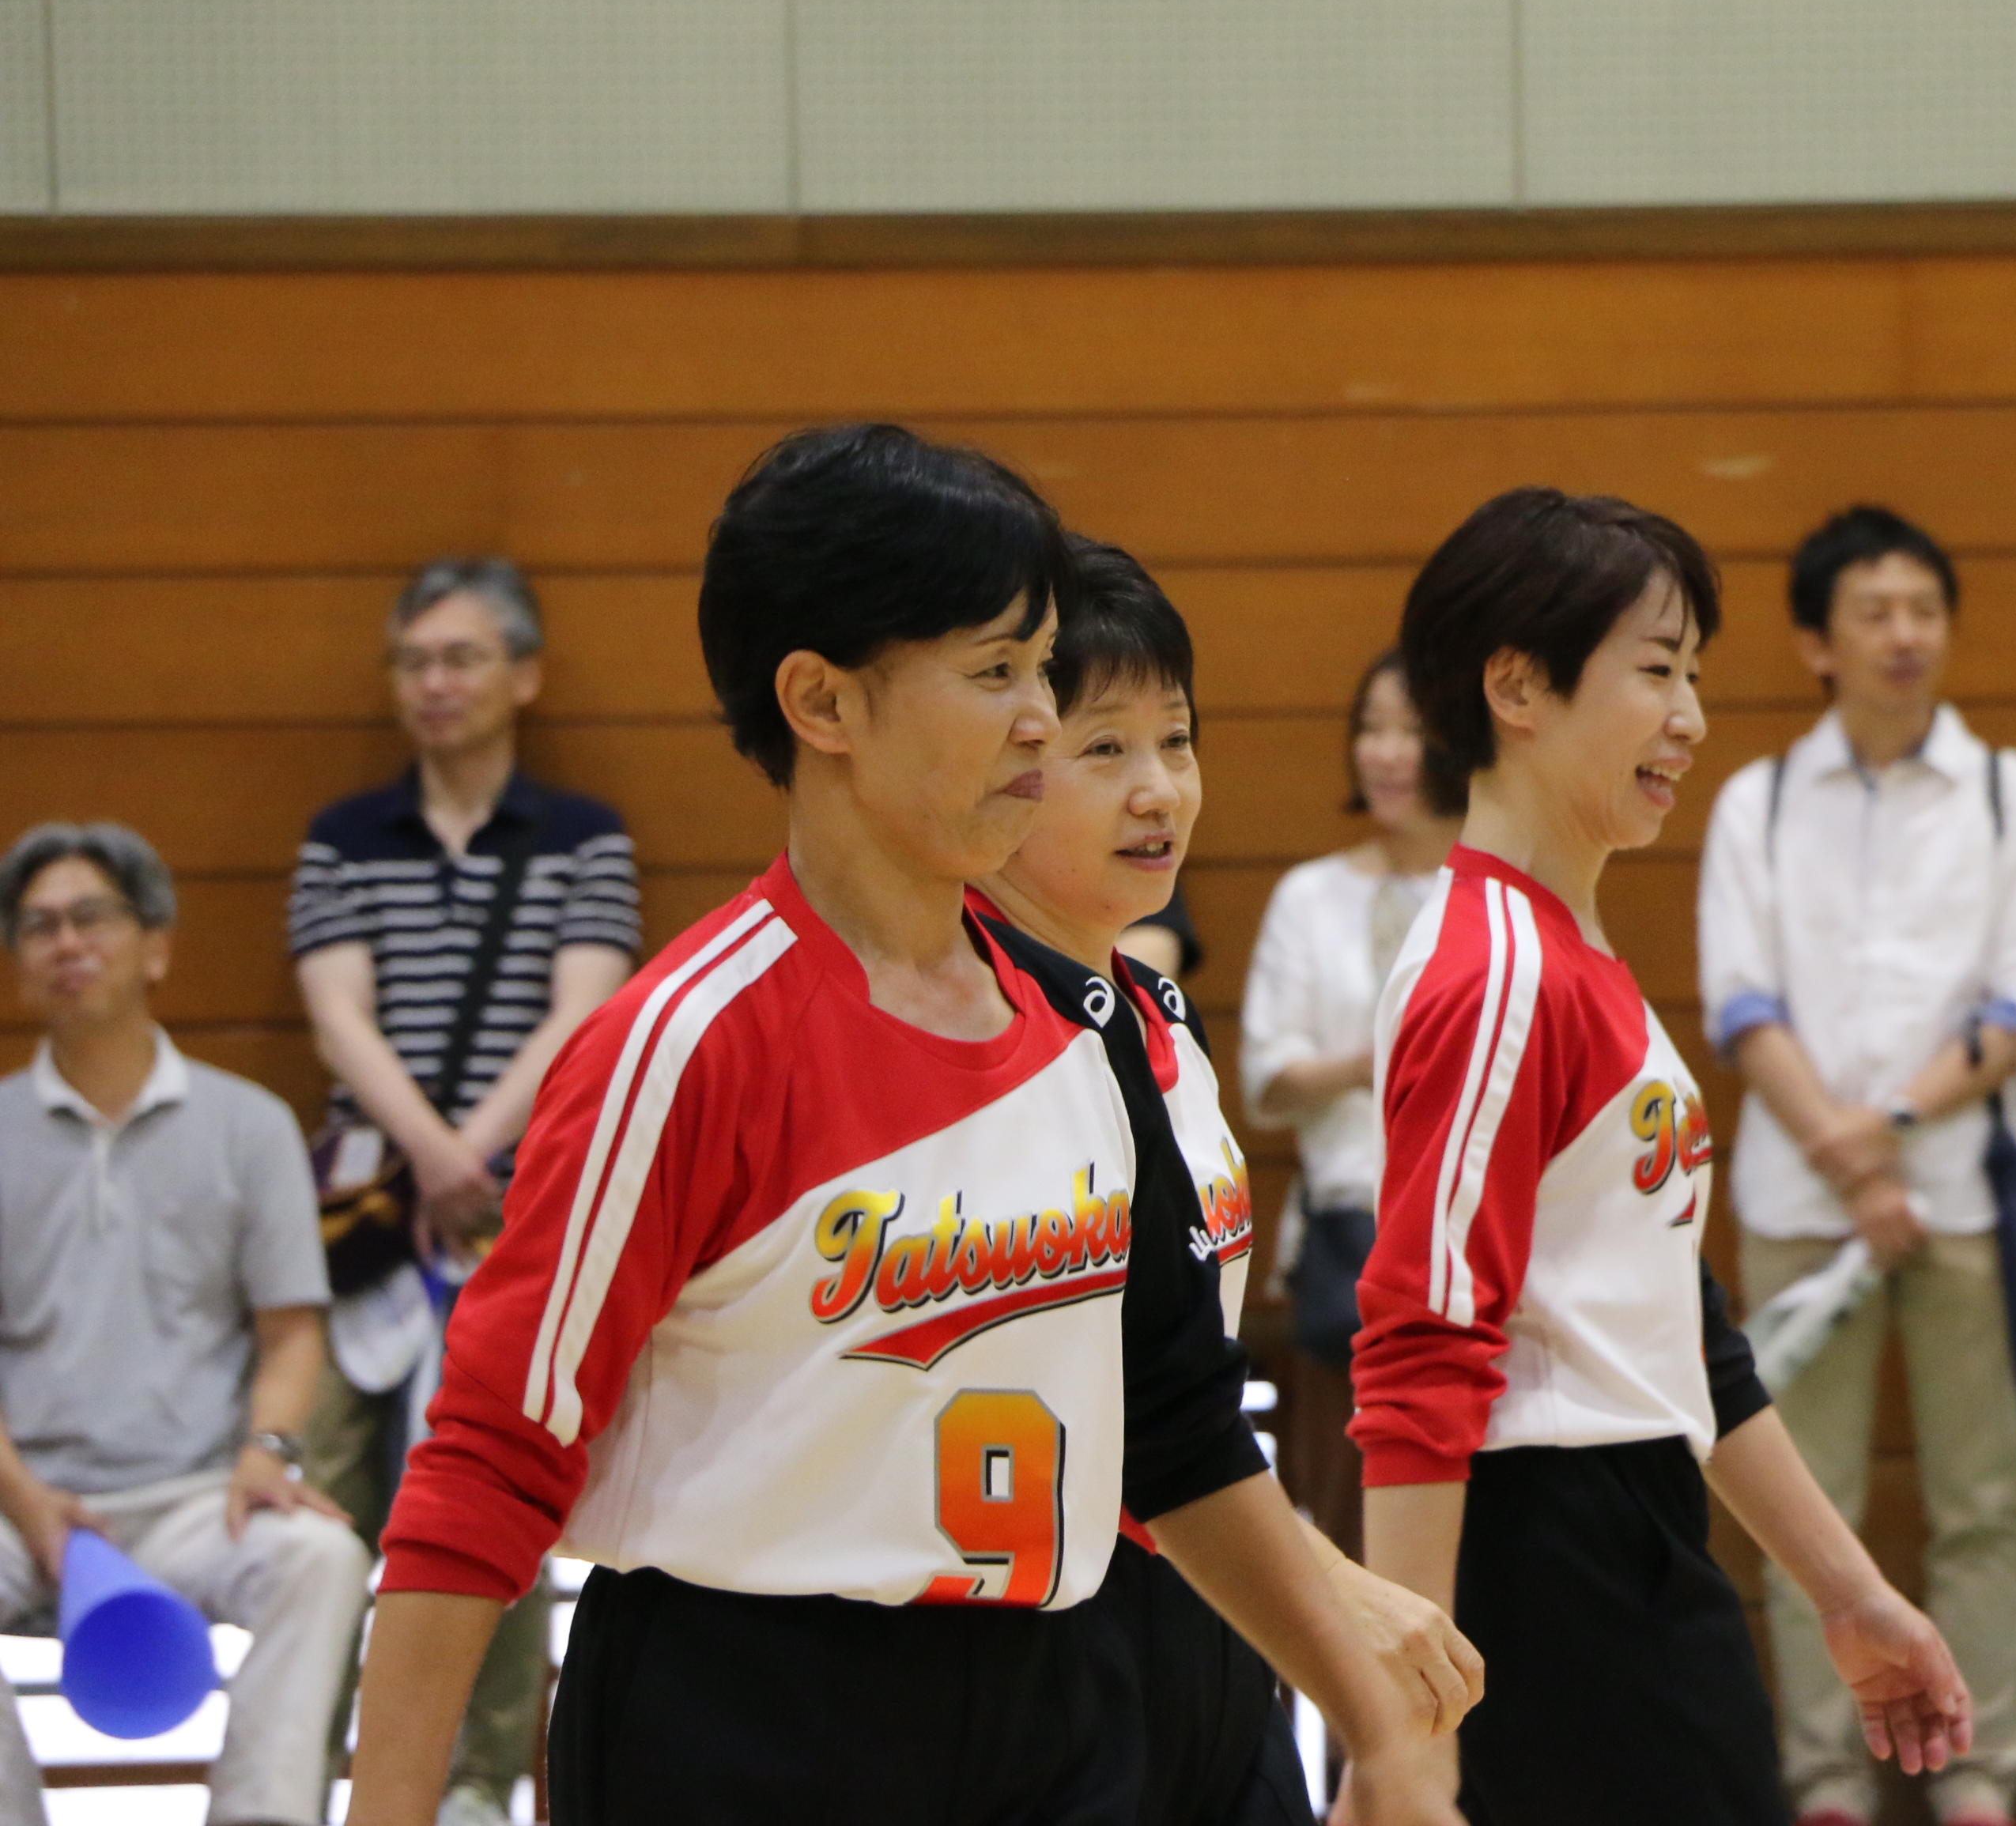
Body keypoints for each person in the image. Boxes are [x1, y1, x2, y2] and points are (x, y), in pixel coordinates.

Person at [344, 424, 1456, 1826]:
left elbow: (1177, 1431)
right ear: (821, 701)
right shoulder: (686, 1044)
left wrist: (1378, 1737)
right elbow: (488, 1463)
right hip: (750, 1716)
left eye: (1042, 668)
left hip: (1051, 1704)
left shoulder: (1096, 1029)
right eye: (995, 673)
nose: (1040, 718)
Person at [1350, 487, 1974, 1826]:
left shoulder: (1574, 955)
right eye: (1655, 671)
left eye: (1694, 675)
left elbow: (1681, 1330)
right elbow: (1420, 1346)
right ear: (1517, 686)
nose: (1689, 717)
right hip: (1543, 1559)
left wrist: (1849, 1592)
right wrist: (1400, 1739)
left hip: (1637, 1528)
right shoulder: (1496, 974)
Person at [973, 541, 1481, 1824]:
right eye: (1106, 749)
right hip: (1031, 1653)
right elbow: (1096, 1407)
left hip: (1205, 1628)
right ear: (1005, 761)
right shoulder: (968, 1035)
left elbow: (1178, 1385)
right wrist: (1330, 1588)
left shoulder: (1159, 1016)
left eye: (1178, 741)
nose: (1160, 790)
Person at [1696, 506, 2016, 1826]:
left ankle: (1976, 1774)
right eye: (1874, 612)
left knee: (1978, 1500)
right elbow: (1740, 1003)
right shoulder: (1757, 800)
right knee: (1808, 1508)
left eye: (1924, 609)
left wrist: (1893, 1129)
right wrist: (1848, 1163)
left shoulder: (2008, 793)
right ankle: (1826, 1782)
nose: (1905, 635)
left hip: (1962, 1200)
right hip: (1799, 1205)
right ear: (1817, 642)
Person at [290, 556, 640, 1824]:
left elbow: (585, 1010)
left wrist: (475, 1155)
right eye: (413, 663)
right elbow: (338, 1021)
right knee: (326, 1495)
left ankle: (485, 1781)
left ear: (523, 676)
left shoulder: (583, 836)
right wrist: (434, 1155)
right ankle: (322, 1777)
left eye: (459, 658)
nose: (432, 684)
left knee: (501, 1486)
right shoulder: (344, 837)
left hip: (523, 1213)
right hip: (365, 1226)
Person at [0, 823, 369, 1826]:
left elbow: (292, 1330)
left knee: (321, 1555)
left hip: (202, 1498)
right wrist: (28, 1502)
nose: (66, 942)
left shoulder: (248, 1124)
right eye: (38, 925)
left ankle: (259, 1815)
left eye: (90, 916)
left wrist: (267, 1449)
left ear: (155, 945)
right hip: (23, 1502)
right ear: (20, 963)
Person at [1241, 650, 1459, 1556]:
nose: (1385, 751)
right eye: (1371, 728)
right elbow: (1264, 1079)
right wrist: (1374, 1063)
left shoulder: (1494, 893)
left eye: (1410, 729)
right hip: (1351, 1239)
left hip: (1481, 1248)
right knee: (1347, 1525)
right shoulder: (1311, 895)